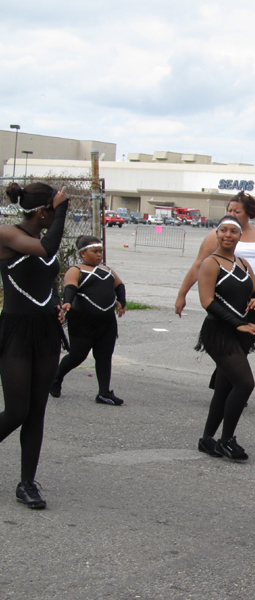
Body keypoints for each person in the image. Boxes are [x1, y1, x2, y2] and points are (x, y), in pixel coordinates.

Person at [0, 182, 69, 509]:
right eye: (53, 212)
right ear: (43, 212)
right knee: (17, 410)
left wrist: (56, 302)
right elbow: (46, 252)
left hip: (46, 331)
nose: (55, 218)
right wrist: (63, 209)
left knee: (37, 410)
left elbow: (44, 278)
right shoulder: (7, 235)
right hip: (16, 331)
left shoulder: (40, 240)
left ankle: (27, 483)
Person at [195, 215, 255, 461]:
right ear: (216, 234)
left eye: (233, 231)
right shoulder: (210, 263)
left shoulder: (243, 263)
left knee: (225, 387)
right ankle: (226, 440)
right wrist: (239, 324)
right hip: (219, 333)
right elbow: (207, 302)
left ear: (239, 236)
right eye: (223, 230)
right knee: (245, 384)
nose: (228, 235)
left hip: (241, 333)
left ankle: (207, 440)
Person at [174, 191, 255, 325]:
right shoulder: (217, 235)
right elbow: (198, 265)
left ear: (248, 213)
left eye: (237, 212)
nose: (231, 214)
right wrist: (182, 294)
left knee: (248, 340)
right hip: (229, 298)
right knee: (228, 341)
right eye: (229, 210)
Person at [50, 236, 126, 405]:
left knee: (104, 356)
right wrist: (67, 301)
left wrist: (121, 301)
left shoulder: (107, 270)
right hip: (83, 321)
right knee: (78, 355)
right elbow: (70, 286)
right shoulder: (76, 270)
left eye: (101, 252)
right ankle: (56, 378)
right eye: (95, 252)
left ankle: (104, 392)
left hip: (106, 322)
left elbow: (119, 286)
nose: (99, 255)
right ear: (83, 253)